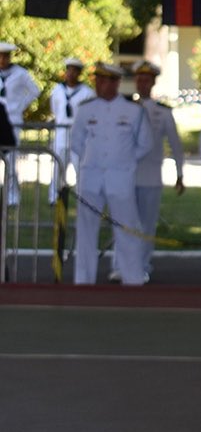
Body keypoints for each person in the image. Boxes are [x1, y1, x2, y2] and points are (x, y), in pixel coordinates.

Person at [70, 63, 152, 285]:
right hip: (91, 177)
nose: (99, 85)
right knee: (86, 230)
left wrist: (125, 160)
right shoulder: (86, 109)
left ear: (116, 83)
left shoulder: (133, 111)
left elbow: (145, 143)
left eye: (104, 81)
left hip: (120, 177)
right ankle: (83, 280)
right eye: (97, 80)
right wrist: (92, 160)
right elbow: (76, 141)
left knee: (127, 228)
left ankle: (132, 278)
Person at [119, 61, 185, 282]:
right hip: (127, 176)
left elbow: (175, 144)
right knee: (124, 223)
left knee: (146, 226)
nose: (142, 83)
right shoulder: (125, 108)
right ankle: (121, 266)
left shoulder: (162, 112)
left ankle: (143, 266)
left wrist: (179, 173)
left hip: (151, 176)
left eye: (146, 80)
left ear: (153, 82)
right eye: (139, 79)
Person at [48, 58, 95, 200]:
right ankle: (54, 196)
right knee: (58, 166)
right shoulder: (57, 90)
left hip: (79, 134)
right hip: (62, 132)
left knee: (79, 167)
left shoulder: (87, 92)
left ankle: (82, 197)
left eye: (75, 71)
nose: (71, 74)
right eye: (69, 70)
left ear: (79, 73)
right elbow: (55, 109)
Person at [0, 42, 40, 205]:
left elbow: (34, 91)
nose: (2, 59)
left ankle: (12, 195)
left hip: (12, 119)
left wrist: (20, 106)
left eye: (5, 56)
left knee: (11, 157)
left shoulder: (20, 73)